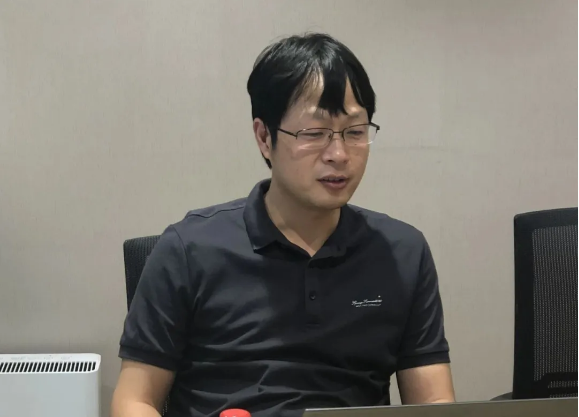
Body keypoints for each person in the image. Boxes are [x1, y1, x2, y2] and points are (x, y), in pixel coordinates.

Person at [111, 32, 455, 417]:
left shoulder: (401, 253)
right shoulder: (188, 250)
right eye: (315, 133)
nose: (339, 154)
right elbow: (134, 400)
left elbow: (434, 404)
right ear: (264, 137)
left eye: (355, 132)